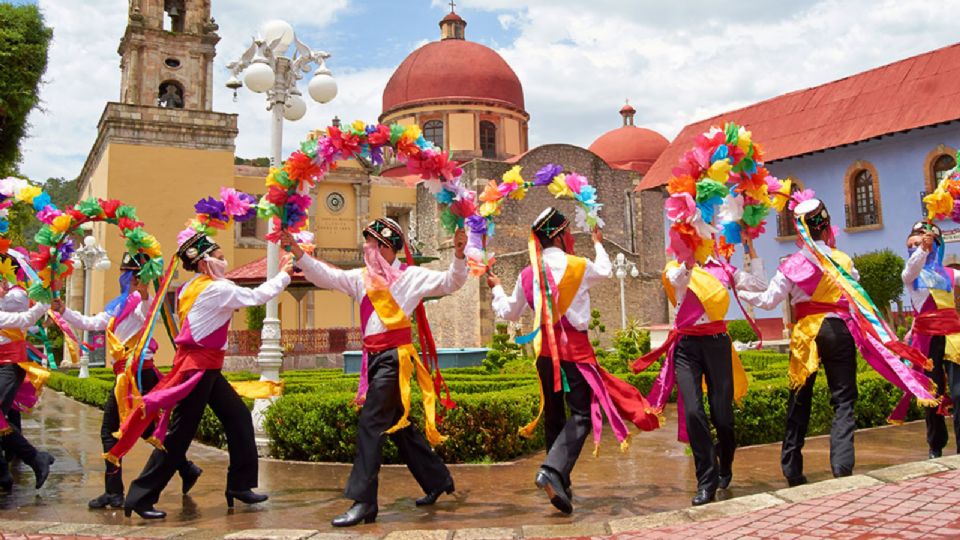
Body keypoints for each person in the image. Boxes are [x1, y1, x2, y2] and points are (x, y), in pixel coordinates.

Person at [280, 218, 467, 527]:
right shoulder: (361, 278)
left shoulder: (411, 277)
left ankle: (364, 502)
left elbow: (451, 282)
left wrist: (459, 255)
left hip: (395, 359)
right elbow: (327, 276)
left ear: (387, 247)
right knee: (397, 424)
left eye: (373, 244)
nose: (367, 248)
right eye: (367, 243)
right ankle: (437, 479)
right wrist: (299, 253)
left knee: (370, 425)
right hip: (375, 358)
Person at [739, 198, 936, 485]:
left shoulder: (792, 264)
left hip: (808, 333)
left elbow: (769, 301)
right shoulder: (842, 260)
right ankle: (842, 465)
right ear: (826, 226)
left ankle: (792, 468)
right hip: (838, 329)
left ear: (801, 230)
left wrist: (741, 294)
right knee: (844, 399)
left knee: (800, 398)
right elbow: (854, 293)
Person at [487, 207, 659, 515]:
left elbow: (510, 312)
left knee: (555, 419)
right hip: (575, 353)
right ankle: (552, 471)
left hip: (545, 354)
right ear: (558, 236)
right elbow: (606, 269)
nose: (570, 237)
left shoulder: (529, 273)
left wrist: (497, 287)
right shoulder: (578, 265)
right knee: (581, 415)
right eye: (567, 232)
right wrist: (597, 243)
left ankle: (560, 487)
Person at [113, 233, 293, 519]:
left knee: (238, 418)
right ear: (205, 262)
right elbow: (258, 296)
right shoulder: (216, 290)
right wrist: (284, 274)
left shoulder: (190, 288)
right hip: (198, 369)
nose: (225, 262)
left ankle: (240, 485)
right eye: (220, 258)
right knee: (179, 435)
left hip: (205, 367)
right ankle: (141, 496)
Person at [53, 253, 202, 509]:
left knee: (114, 431)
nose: (124, 278)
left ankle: (116, 492)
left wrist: (143, 289)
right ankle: (183, 467)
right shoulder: (120, 305)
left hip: (138, 375)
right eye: (125, 273)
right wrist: (64, 310)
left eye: (129, 274)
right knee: (143, 430)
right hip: (126, 376)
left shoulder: (144, 304)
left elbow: (146, 310)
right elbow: (92, 323)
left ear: (137, 278)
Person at [632, 257, 749, 505]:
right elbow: (677, 279)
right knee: (694, 412)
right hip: (686, 346)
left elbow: (757, 285)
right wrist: (686, 260)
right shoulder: (676, 268)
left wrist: (750, 250)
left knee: (723, 417)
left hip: (717, 344)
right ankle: (706, 482)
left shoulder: (721, 269)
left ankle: (724, 463)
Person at [902, 221, 960, 458]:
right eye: (910, 246)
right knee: (931, 395)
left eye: (919, 243)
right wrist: (921, 251)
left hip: (954, 338)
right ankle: (935, 446)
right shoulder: (911, 275)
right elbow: (910, 268)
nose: (913, 249)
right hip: (926, 342)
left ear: (936, 245)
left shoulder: (950, 274)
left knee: (959, 392)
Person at [0, 252, 54, 491]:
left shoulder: (16, 294)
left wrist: (46, 299)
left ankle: (29, 460)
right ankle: (8, 471)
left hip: (11, 365)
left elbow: (25, 319)